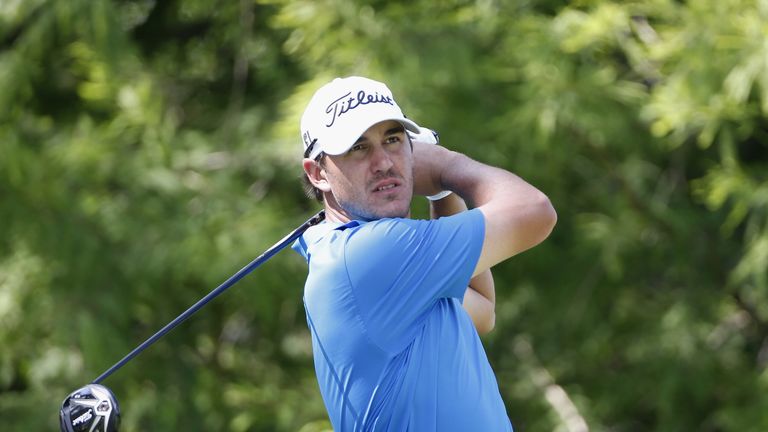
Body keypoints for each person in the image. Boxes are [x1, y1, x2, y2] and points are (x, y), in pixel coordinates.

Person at [292, 76, 556, 431]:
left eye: (393, 140)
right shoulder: (371, 254)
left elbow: (481, 309)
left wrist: (438, 194)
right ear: (318, 173)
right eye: (358, 147)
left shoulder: (379, 267)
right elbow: (536, 211)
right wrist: (446, 166)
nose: (384, 162)